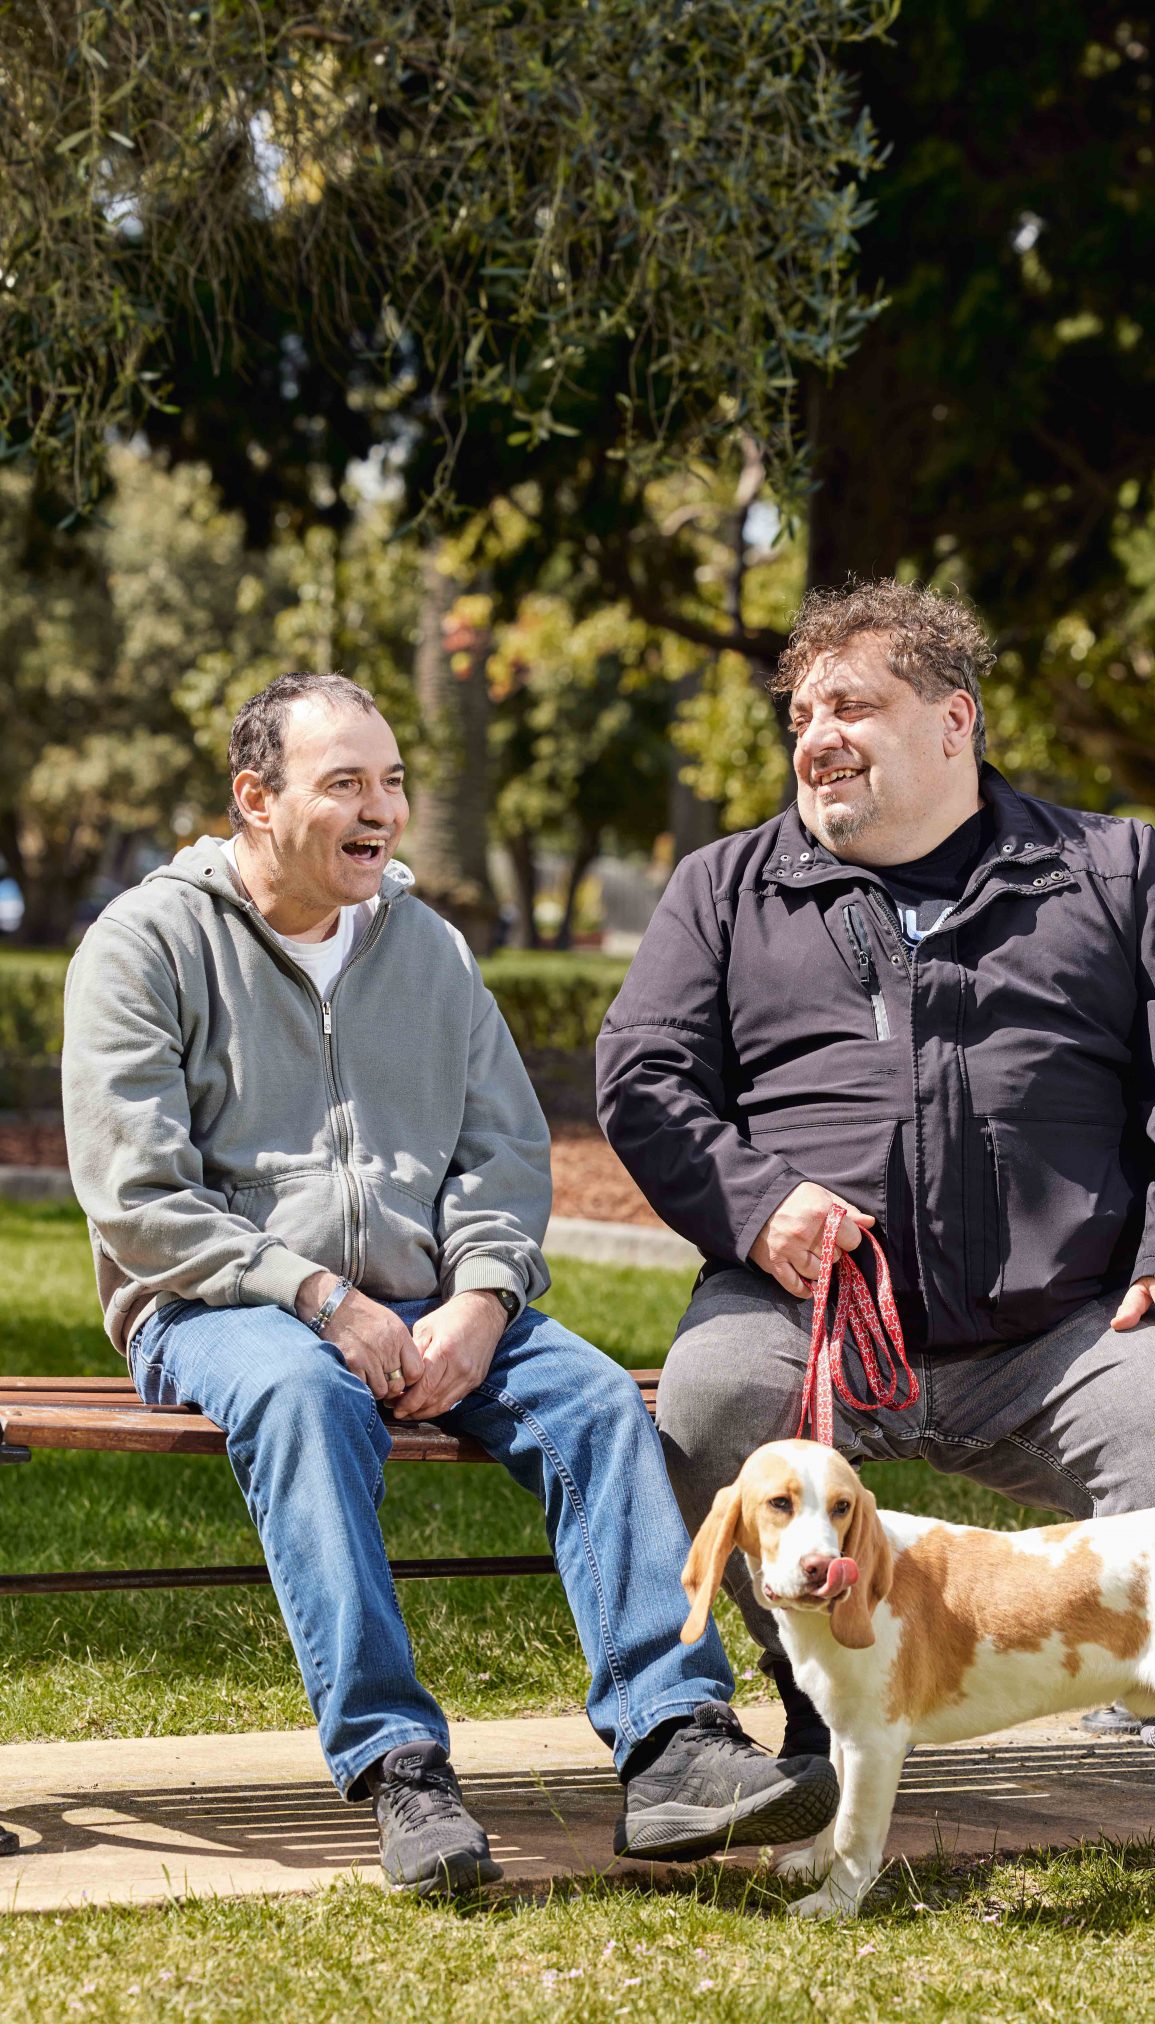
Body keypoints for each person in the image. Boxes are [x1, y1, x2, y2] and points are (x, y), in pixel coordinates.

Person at [61, 671, 837, 1896]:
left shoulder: (426, 946)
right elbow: (138, 1198)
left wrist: (480, 1296)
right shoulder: (146, 942)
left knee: (589, 1396)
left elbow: (502, 1149)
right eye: (345, 784)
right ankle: (399, 1766)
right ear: (255, 799)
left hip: (429, 1298)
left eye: (393, 782)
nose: (381, 810)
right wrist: (321, 1300)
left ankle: (674, 1741)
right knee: (303, 1399)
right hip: (218, 1303)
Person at [596, 577, 1155, 1884]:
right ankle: (796, 1717)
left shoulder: (1111, 865)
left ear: (954, 720)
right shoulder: (724, 889)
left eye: (853, 704)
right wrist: (755, 1203)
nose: (816, 735)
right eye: (800, 714)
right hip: (804, 1323)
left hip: (1061, 1328)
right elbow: (642, 1075)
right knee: (702, 1409)